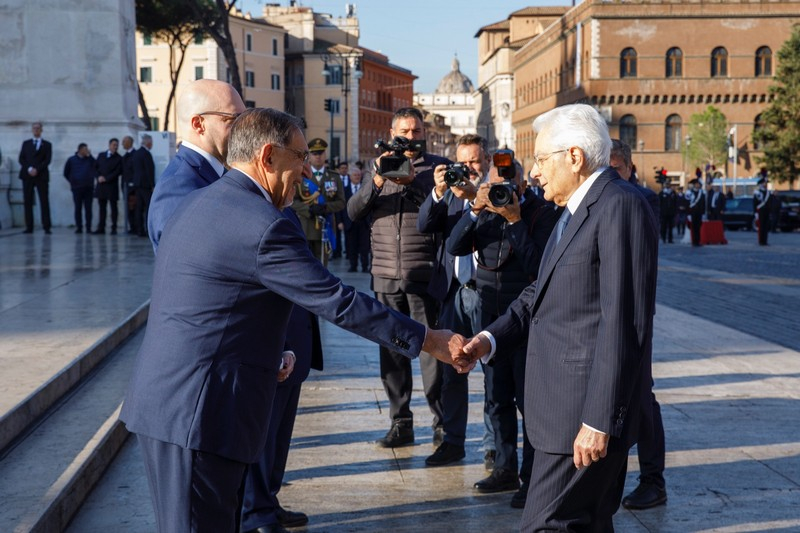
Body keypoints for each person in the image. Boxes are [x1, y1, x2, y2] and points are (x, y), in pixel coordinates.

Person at [119, 107, 464, 533]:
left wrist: (269, 347)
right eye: (299, 157)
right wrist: (430, 340)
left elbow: (213, 305)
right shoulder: (262, 224)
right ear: (267, 156)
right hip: (201, 412)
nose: (305, 170)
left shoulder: (201, 202)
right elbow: (336, 300)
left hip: (175, 401)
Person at [457, 103, 659, 530]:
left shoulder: (618, 205)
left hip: (582, 421)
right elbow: (539, 293)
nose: (533, 172)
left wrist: (599, 419)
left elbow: (623, 320)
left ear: (574, 156)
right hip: (561, 415)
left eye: (542, 159)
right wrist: (490, 339)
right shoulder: (571, 211)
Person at [447, 156, 559, 509]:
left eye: (507, 186)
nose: (501, 192)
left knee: (529, 402)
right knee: (496, 398)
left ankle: (532, 479)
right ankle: (504, 468)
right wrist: (475, 210)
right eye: (495, 185)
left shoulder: (541, 214)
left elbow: (538, 266)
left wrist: (515, 220)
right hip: (491, 317)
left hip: (527, 321)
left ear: (523, 185)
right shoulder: (484, 211)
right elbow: (454, 246)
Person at [347, 106, 450, 449]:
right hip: (385, 275)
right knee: (392, 352)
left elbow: (443, 214)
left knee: (432, 351)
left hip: (423, 274)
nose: (409, 136)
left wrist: (413, 185)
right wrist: (377, 181)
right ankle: (400, 422)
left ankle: (442, 423)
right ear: (393, 133)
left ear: (425, 134)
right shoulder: (379, 166)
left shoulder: (436, 168)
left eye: (416, 131)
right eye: (403, 131)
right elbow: (353, 211)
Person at [417, 134, 489, 467]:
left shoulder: (496, 191)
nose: (469, 168)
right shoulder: (451, 194)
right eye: (463, 163)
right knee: (452, 370)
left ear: (486, 161)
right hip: (453, 292)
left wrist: (477, 196)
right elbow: (424, 224)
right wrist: (439, 191)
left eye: (475, 161)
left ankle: (494, 448)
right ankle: (453, 441)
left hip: (488, 292)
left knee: (493, 372)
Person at [609, 142, 668, 511]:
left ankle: (653, 480)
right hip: (601, 313)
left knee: (642, 398)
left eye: (617, 169)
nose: (612, 176)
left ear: (630, 168)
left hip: (633, 316)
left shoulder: (643, 198)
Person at [148, 79, 246, 249]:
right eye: (234, 119)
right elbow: (184, 262)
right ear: (199, 124)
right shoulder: (177, 185)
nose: (243, 129)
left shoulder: (219, 172)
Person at [291, 138, 345, 266]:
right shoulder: (302, 176)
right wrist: (308, 210)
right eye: (314, 153)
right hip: (306, 227)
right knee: (305, 265)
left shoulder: (334, 177)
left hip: (325, 227)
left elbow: (341, 202)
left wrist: (325, 207)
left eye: (320, 153)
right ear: (309, 156)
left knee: (322, 265)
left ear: (325, 155)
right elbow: (293, 201)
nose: (318, 157)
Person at [18, 121, 52, 234]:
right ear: (32, 130)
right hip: (27, 175)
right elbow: (21, 159)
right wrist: (29, 169)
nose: (36, 130)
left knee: (44, 201)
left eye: (38, 128)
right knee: (27, 201)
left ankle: (46, 226)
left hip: (41, 175)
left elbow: (47, 160)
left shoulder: (47, 144)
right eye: (34, 128)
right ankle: (29, 226)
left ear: (41, 130)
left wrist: (37, 169)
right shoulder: (26, 143)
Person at [63, 143, 97, 234]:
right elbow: (66, 173)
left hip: (88, 187)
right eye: (85, 149)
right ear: (79, 150)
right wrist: (73, 181)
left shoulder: (90, 159)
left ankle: (88, 227)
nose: (86, 151)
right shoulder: (71, 160)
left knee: (88, 208)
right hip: (77, 188)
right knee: (78, 208)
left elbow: (96, 166)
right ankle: (79, 227)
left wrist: (90, 156)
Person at [342, 166, 370, 272]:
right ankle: (353, 265)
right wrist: (340, 221)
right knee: (351, 246)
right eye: (355, 175)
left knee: (364, 246)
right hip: (350, 222)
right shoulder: (345, 190)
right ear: (350, 177)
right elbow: (342, 208)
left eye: (359, 175)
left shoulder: (365, 189)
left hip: (364, 222)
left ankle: (364, 266)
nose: (357, 177)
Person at [93, 138, 123, 234]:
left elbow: (118, 171)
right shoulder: (101, 155)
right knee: (102, 208)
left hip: (111, 186)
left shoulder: (119, 158)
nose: (115, 147)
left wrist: (106, 178)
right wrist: (98, 177)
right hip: (101, 186)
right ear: (109, 145)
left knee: (113, 207)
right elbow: (95, 168)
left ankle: (114, 227)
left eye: (117, 145)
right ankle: (101, 227)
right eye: (114, 145)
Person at [133, 134, 155, 237]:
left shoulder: (136, 153)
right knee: (148, 208)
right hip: (145, 185)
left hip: (137, 184)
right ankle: (147, 229)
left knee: (139, 208)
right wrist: (152, 184)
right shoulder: (146, 154)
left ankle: (139, 230)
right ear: (148, 143)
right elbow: (149, 171)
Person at [121, 136, 138, 234]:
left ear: (129, 143)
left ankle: (135, 227)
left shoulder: (134, 155)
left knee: (133, 207)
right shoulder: (125, 156)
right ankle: (131, 226)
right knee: (129, 208)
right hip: (125, 186)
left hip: (132, 188)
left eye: (124, 141)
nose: (122, 144)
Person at [687, 178, 706, 246]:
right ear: (694, 185)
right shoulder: (690, 192)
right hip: (693, 213)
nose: (697, 185)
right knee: (694, 227)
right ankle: (694, 241)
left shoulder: (702, 193)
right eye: (696, 184)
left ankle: (698, 241)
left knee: (698, 227)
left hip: (699, 213)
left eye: (698, 184)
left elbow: (703, 204)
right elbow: (688, 203)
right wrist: (688, 214)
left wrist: (703, 213)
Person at [754, 177, 772, 246]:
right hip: (760, 211)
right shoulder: (757, 192)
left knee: (766, 226)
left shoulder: (768, 192)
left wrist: (770, 211)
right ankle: (761, 241)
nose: (765, 184)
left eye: (766, 183)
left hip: (766, 211)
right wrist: (755, 212)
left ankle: (765, 241)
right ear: (761, 184)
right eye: (764, 183)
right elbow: (755, 203)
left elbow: (770, 203)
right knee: (761, 227)